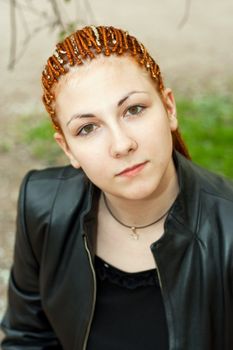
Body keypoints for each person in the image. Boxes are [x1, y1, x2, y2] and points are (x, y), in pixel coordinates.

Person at [1, 25, 233, 350]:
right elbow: (27, 339)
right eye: (88, 128)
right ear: (68, 149)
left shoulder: (228, 229)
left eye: (133, 110)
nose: (121, 145)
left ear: (169, 109)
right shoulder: (44, 207)